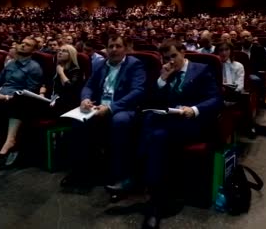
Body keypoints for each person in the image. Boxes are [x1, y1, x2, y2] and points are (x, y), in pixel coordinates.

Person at [139, 39, 222, 229]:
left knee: (156, 137)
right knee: (145, 122)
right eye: (166, 58)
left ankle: (154, 202)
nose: (170, 61)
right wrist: (162, 80)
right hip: (168, 121)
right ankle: (153, 187)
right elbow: (152, 100)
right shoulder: (165, 72)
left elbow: (216, 99)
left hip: (192, 122)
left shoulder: (201, 69)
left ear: (183, 52)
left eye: (174, 56)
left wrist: (194, 109)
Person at [61, 35, 146, 193]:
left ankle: (121, 176)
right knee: (77, 121)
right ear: (106, 49)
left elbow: (137, 91)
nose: (114, 50)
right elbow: (89, 86)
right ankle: (81, 172)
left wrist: (111, 108)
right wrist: (85, 99)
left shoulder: (135, 64)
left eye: (118, 46)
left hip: (123, 108)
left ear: (125, 48)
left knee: (119, 121)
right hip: (99, 106)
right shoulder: (101, 64)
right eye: (111, 46)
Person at [0, 44, 84, 169]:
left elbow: (71, 88)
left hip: (65, 105)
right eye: (59, 50)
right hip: (50, 102)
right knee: (21, 103)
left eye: (64, 51)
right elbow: (45, 83)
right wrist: (42, 92)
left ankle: (17, 150)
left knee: (25, 109)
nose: (59, 53)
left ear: (71, 55)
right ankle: (14, 145)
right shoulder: (53, 69)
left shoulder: (76, 70)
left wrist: (61, 73)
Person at [0, 37, 43, 155]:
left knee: (14, 106)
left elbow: (29, 92)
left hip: (16, 100)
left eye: (28, 45)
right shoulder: (11, 63)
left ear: (33, 50)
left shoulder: (34, 67)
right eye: (22, 43)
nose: (23, 45)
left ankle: (9, 142)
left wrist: (6, 97)